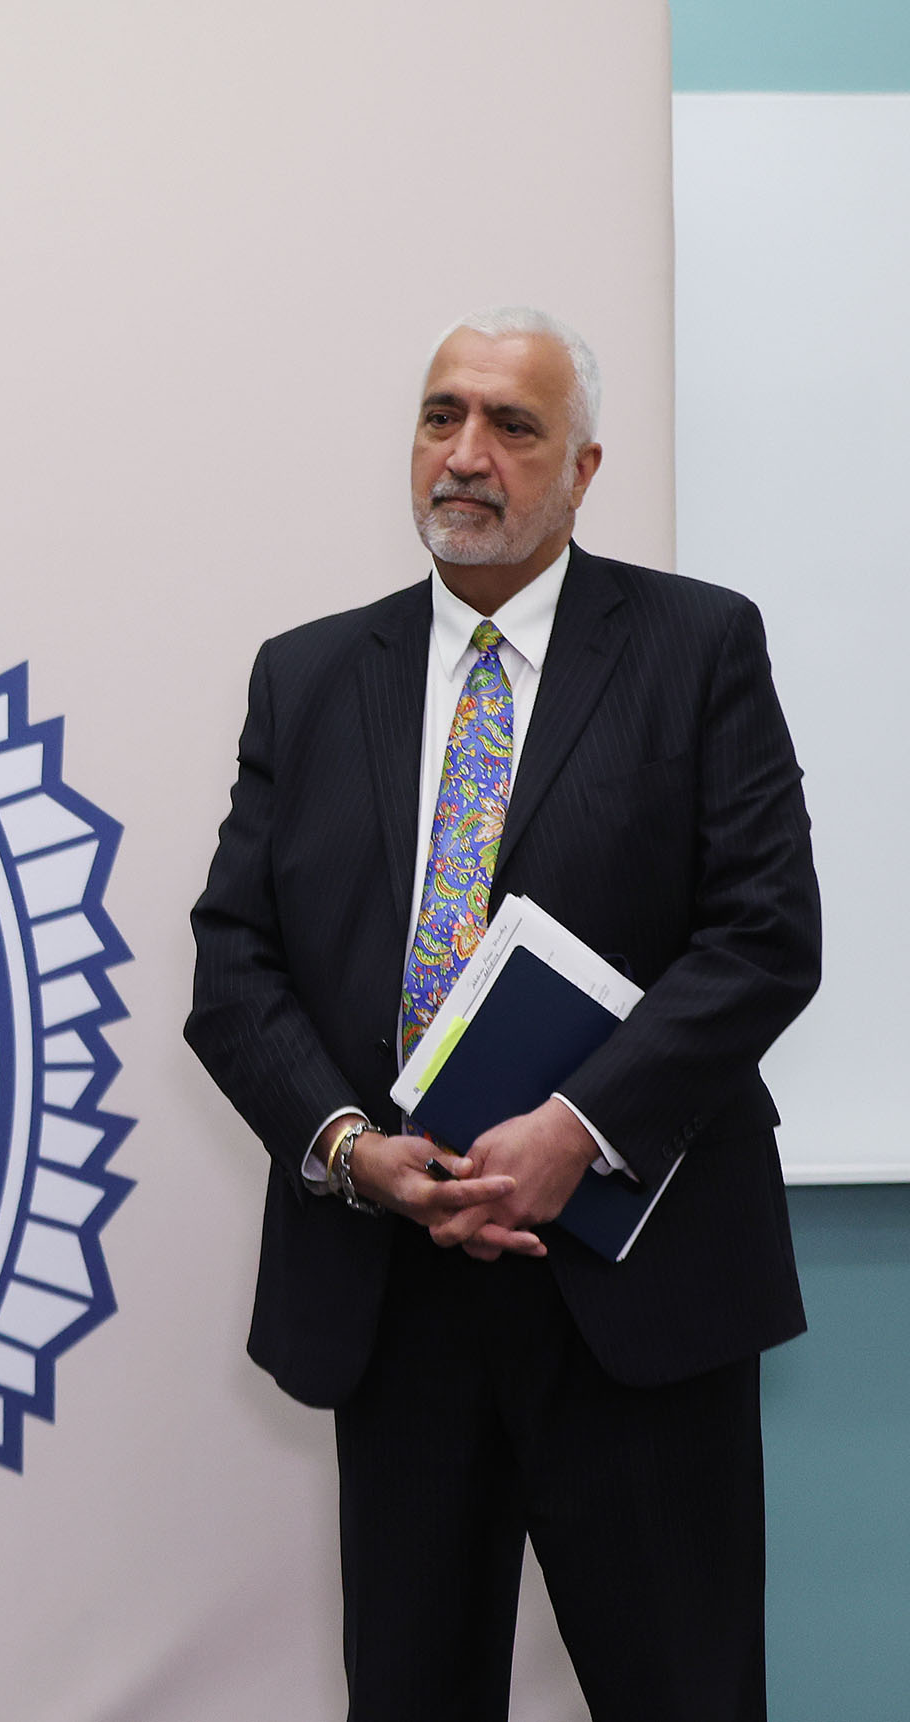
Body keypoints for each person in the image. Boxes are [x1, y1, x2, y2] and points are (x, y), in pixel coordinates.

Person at [186, 308, 820, 1720]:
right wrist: (353, 1146)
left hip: (634, 1282)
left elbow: (768, 937)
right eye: (440, 416)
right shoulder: (306, 676)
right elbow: (235, 964)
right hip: (394, 1289)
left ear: (584, 469)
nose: (466, 455)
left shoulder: (697, 646)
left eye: (512, 427)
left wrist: (578, 1126)